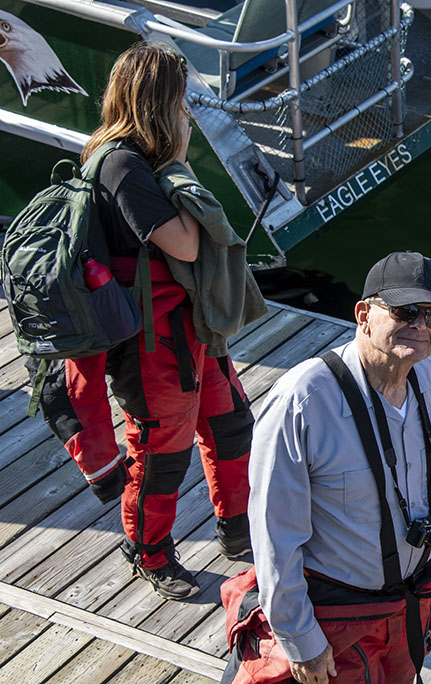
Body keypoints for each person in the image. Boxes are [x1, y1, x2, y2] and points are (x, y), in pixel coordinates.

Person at [32, 44, 256, 600]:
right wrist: (179, 161)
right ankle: (149, 550)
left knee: (230, 426)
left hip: (189, 328)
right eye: (180, 102)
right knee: (162, 452)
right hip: (151, 342)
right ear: (159, 102)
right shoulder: (122, 163)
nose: (187, 113)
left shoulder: (132, 158)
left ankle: (237, 526)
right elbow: (182, 241)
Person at [221, 251, 431, 684]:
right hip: (337, 616)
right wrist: (300, 639)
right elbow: (274, 532)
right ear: (363, 314)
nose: (420, 325)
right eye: (406, 311)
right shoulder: (303, 399)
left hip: (411, 604)